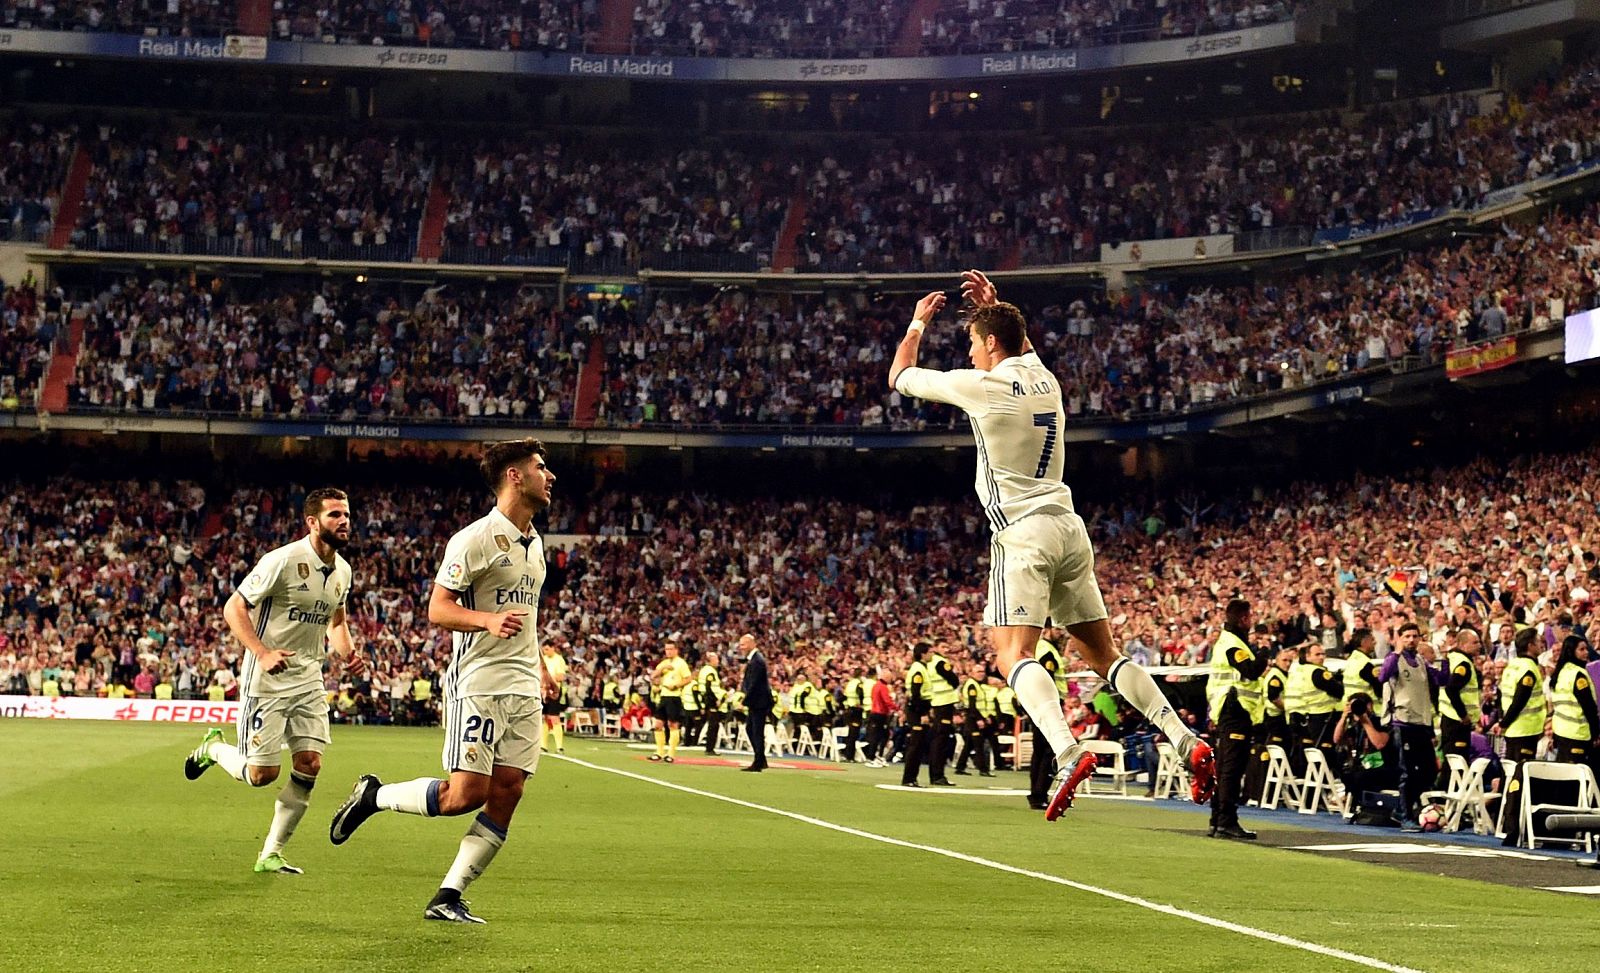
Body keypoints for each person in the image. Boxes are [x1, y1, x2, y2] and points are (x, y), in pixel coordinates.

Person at [889, 270, 1213, 821]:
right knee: (1105, 655)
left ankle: (1067, 751)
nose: (968, 354)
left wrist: (919, 321)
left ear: (991, 344)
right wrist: (995, 310)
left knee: (1013, 653)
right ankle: (1185, 740)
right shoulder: (1046, 378)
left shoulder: (983, 388)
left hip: (1022, 533)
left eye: (972, 343)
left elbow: (899, 375)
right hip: (1069, 525)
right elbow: (1021, 343)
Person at [328, 439, 556, 924]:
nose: (549, 475)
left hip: (521, 686)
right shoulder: (473, 539)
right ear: (515, 476)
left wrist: (536, 665)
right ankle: (375, 796)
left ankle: (448, 894)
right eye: (540, 467)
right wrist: (487, 621)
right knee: (465, 794)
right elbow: (438, 609)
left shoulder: (535, 543)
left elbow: (528, 616)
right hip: (478, 682)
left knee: (509, 789)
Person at [183, 487, 363, 876]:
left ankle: (271, 853)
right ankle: (213, 749)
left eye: (346, 514)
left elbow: (337, 622)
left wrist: (348, 654)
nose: (345, 521)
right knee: (261, 775)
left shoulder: (343, 571)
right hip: (267, 680)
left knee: (310, 764)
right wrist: (261, 653)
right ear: (313, 522)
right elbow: (234, 606)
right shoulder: (282, 561)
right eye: (335, 515)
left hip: (309, 679)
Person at [1207, 599, 1270, 839]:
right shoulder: (1233, 644)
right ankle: (1226, 821)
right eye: (1250, 617)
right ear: (1244, 618)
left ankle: (1217, 820)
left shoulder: (1228, 641)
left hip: (1228, 710)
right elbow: (1251, 671)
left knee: (1224, 768)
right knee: (1231, 770)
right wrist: (1263, 652)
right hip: (1236, 710)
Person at [1377, 622, 1444, 830]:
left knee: (1430, 770)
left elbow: (1442, 680)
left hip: (1421, 722)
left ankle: (1401, 807)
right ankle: (1406, 815)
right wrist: (1395, 654)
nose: (1411, 640)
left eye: (1415, 636)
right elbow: (1382, 676)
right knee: (1407, 771)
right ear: (1399, 638)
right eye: (1406, 636)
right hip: (1403, 721)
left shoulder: (1422, 661)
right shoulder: (1394, 660)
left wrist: (1447, 660)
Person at [1332, 693, 1399, 824]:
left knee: (1360, 777)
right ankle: (1360, 807)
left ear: (1369, 706)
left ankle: (1364, 807)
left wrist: (1365, 721)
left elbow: (1379, 743)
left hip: (1387, 768)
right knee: (1347, 773)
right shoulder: (1353, 725)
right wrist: (1343, 717)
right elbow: (1337, 739)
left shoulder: (1379, 721)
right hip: (1365, 768)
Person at [1027, 633, 1071, 810]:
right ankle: (1040, 794)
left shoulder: (1039, 647)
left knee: (1038, 752)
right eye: (1058, 629)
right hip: (1050, 703)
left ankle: (1035, 794)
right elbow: (1048, 678)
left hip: (1038, 702)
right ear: (1047, 628)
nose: (1062, 633)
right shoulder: (1047, 650)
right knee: (1048, 751)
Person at [1246, 645, 1295, 803]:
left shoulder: (1284, 675)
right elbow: (1274, 698)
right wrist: (1290, 709)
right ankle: (1263, 793)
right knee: (1274, 757)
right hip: (1274, 721)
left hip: (1272, 721)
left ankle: (1263, 793)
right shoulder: (1276, 676)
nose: (1287, 663)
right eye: (1285, 660)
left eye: (1290, 660)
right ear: (1276, 660)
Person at [1493, 628, 1548, 762]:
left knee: (1511, 771)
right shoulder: (1528, 669)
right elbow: (1519, 700)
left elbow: (1501, 696)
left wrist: (1503, 721)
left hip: (1513, 729)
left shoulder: (1512, 666)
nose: (1541, 644)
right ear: (1530, 645)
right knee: (1521, 774)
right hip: (1525, 729)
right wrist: (1503, 723)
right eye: (1538, 641)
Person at [1286, 641, 1342, 768]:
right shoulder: (1318, 672)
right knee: (1325, 753)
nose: (1322, 657)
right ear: (1308, 657)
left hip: (1308, 716)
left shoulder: (1300, 671)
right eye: (1317, 654)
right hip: (1324, 716)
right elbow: (1339, 691)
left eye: (1323, 654)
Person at [1438, 625, 1484, 767]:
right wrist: (1463, 715)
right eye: (1475, 642)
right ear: (1463, 645)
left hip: (1449, 718)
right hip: (1457, 722)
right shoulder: (1463, 664)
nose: (1479, 646)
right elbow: (1451, 689)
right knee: (1457, 766)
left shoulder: (1452, 658)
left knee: (1452, 764)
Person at [1548, 635, 1599, 765]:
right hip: (1577, 734)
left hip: (1560, 731)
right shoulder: (1578, 675)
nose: (1586, 653)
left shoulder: (1560, 673)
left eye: (1586, 649)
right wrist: (1596, 733)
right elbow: (1589, 707)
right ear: (1571, 651)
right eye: (1581, 650)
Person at [924, 645, 961, 786]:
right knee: (941, 741)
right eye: (943, 646)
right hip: (944, 703)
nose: (947, 649)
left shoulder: (928, 664)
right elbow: (954, 680)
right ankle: (938, 775)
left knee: (937, 740)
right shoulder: (940, 662)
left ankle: (935, 774)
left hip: (935, 703)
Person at [651, 642, 692, 763]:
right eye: (666, 649)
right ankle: (659, 752)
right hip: (663, 696)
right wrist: (663, 669)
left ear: (676, 650)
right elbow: (653, 675)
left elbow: (688, 678)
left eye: (670, 649)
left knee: (672, 725)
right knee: (658, 725)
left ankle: (671, 753)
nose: (668, 651)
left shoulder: (681, 663)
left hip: (674, 697)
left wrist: (676, 685)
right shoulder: (664, 663)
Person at [900, 643, 934, 787]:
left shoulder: (921, 668)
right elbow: (915, 694)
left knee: (919, 746)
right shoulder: (919, 670)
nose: (932, 655)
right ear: (923, 654)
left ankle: (912, 778)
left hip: (919, 709)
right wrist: (922, 714)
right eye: (930, 652)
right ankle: (908, 778)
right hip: (917, 711)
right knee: (915, 746)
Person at [739, 634, 772, 771]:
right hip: (757, 701)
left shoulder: (757, 660)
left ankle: (758, 762)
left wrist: (744, 701)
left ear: (752, 644)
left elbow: (755, 684)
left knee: (756, 731)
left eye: (743, 644)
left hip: (759, 701)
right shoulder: (754, 659)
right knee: (751, 729)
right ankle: (761, 759)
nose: (741, 648)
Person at [954, 662, 993, 777]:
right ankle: (983, 769)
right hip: (973, 718)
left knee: (969, 745)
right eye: (978, 672)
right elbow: (972, 705)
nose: (982, 674)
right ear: (971, 673)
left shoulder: (976, 684)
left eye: (983, 671)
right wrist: (979, 719)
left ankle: (960, 767)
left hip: (975, 717)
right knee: (978, 744)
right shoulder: (972, 685)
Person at [541, 641, 568, 754]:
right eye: (544, 650)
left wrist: (549, 679)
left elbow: (561, 676)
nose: (545, 652)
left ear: (553, 648)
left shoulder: (559, 660)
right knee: (545, 718)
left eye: (547, 649)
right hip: (543, 691)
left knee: (554, 717)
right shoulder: (544, 659)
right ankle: (543, 745)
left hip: (554, 691)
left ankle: (559, 746)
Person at [865, 664, 894, 766]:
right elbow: (887, 701)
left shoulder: (876, 685)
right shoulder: (883, 687)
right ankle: (872, 757)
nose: (891, 679)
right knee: (879, 736)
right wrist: (896, 708)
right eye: (890, 677)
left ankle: (875, 756)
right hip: (880, 714)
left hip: (875, 713)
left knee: (880, 735)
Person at [697, 652, 724, 755]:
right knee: (713, 725)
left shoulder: (704, 670)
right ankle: (709, 748)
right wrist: (715, 700)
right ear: (711, 660)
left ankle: (709, 747)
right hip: (710, 700)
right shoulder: (710, 671)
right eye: (716, 659)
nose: (718, 662)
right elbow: (709, 687)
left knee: (712, 724)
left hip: (706, 698)